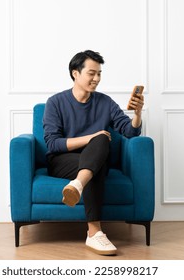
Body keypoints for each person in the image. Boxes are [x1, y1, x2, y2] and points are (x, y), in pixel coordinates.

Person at [43, 50, 144, 255]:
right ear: (75, 73)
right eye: (91, 73)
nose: (96, 79)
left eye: (99, 74)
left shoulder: (105, 102)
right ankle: (95, 233)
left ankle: (78, 185)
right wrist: (90, 138)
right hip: (62, 161)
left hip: (94, 162)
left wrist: (137, 114)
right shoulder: (55, 103)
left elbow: (130, 131)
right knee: (98, 145)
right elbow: (53, 144)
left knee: (99, 144)